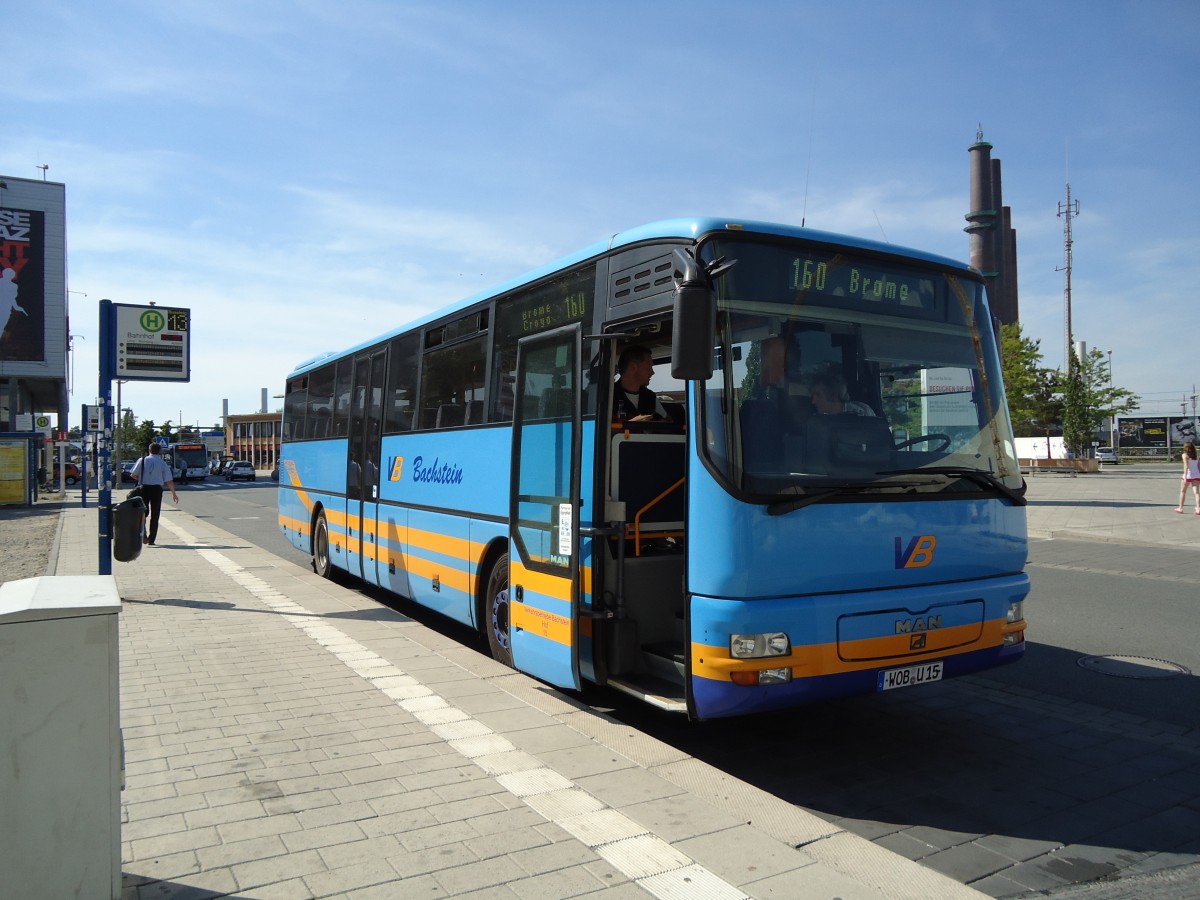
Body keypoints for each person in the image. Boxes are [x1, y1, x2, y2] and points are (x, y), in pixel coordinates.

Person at [130, 443, 179, 545]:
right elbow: (169, 480)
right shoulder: (162, 463)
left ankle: (142, 533)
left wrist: (143, 478)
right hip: (157, 489)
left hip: (144, 488)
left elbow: (133, 475)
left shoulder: (142, 460)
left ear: (149, 450)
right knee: (155, 514)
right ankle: (152, 539)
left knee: (142, 512)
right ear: (160, 451)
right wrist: (174, 493)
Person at [612, 345, 669, 423]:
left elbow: (668, 422)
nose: (652, 372)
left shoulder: (650, 396)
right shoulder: (608, 396)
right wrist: (633, 423)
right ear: (633, 367)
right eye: (649, 367)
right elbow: (599, 430)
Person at [808, 370, 875, 416]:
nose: (813, 402)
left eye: (818, 395)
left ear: (832, 395)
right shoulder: (816, 422)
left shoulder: (864, 412)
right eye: (812, 396)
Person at [1174, 441, 1200, 515]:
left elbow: (1186, 466)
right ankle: (1198, 508)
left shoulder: (1184, 455)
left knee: (1183, 491)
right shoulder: (1196, 456)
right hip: (1197, 475)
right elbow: (1198, 466)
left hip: (1188, 475)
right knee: (1197, 493)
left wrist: (1185, 476)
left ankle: (1180, 508)